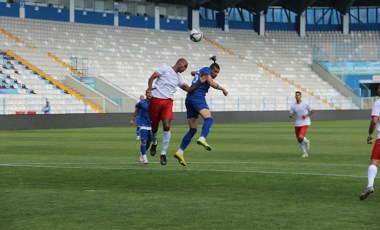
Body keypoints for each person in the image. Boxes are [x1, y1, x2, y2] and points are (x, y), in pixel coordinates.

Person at [146, 58, 206, 165]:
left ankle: (163, 154)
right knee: (154, 126)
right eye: (185, 66)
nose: (185, 68)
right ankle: (154, 142)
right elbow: (152, 77)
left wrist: (199, 84)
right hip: (155, 100)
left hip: (168, 102)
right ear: (179, 63)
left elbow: (189, 90)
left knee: (167, 125)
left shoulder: (179, 78)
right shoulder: (164, 68)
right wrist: (150, 88)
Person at [174, 56, 228, 166]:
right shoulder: (207, 72)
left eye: (218, 73)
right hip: (197, 97)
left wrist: (196, 73)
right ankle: (203, 138)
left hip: (189, 98)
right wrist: (223, 89)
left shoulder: (202, 70)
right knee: (209, 119)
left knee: (192, 129)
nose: (216, 74)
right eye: (216, 72)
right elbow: (212, 84)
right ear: (211, 69)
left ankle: (180, 152)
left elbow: (193, 72)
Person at [359, 85, 380, 201]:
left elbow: (374, 121)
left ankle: (370, 186)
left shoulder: (378, 103)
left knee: (374, 163)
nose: (378, 89)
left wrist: (369, 134)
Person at [289, 91, 313, 158]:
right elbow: (291, 113)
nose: (297, 96)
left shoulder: (305, 103)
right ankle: (305, 153)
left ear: (301, 96)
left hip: (305, 122)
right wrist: (291, 115)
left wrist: (306, 115)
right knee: (299, 139)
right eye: (296, 95)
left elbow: (312, 110)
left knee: (300, 137)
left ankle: (307, 141)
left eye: (298, 95)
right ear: (295, 96)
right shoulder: (293, 105)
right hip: (297, 123)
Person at [130, 92, 152, 164]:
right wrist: (133, 118)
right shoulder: (141, 103)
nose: (149, 94)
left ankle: (142, 153)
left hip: (151, 125)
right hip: (143, 124)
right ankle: (145, 158)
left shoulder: (155, 102)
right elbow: (136, 111)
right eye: (148, 93)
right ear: (146, 94)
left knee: (149, 142)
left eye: (150, 93)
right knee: (144, 142)